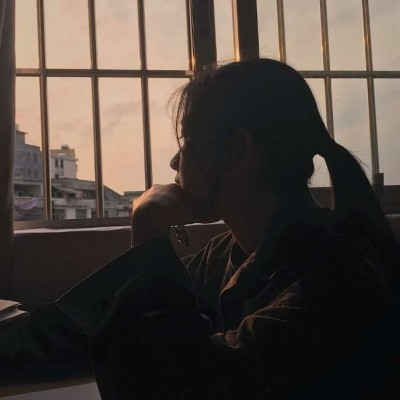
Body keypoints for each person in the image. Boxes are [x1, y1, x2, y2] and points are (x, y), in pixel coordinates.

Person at [88, 58, 400, 399]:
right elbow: (96, 318)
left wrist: (148, 232)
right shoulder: (225, 252)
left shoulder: (335, 283)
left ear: (238, 151)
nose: (175, 162)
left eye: (188, 141)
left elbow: (175, 384)